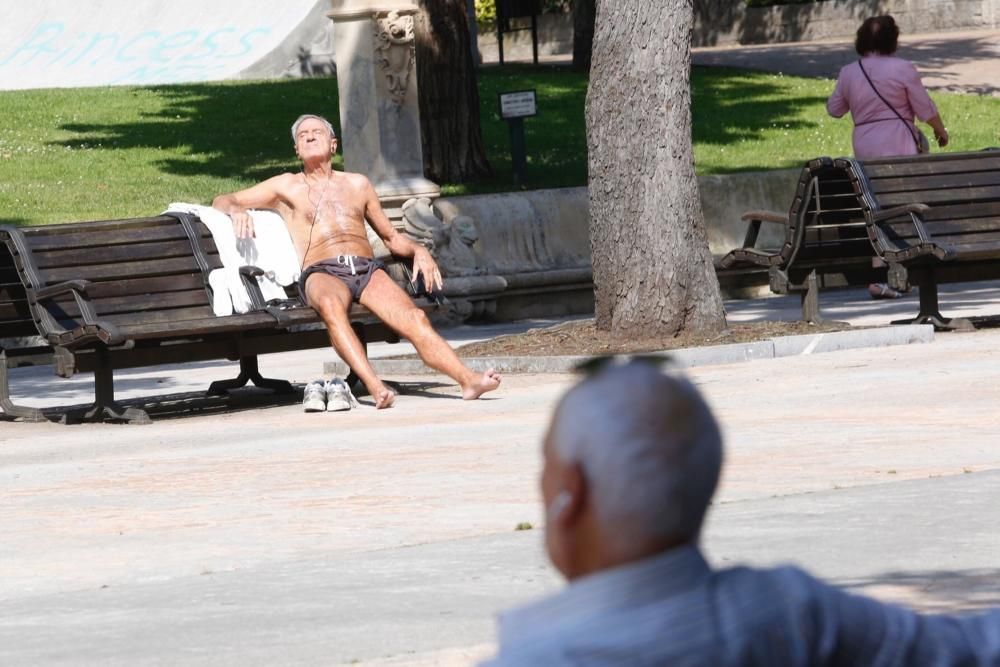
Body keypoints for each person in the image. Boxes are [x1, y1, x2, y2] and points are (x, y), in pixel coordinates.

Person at [483, 359, 1000, 665]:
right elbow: (968, 648)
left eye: (544, 465)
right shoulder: (791, 613)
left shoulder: (536, 656)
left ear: (571, 493)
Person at [212, 114, 501, 409]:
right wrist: (237, 211)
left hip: (366, 268)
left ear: (333, 144)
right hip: (322, 270)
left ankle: (469, 381)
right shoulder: (286, 186)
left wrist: (419, 250)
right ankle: (375, 387)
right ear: (297, 150)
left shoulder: (358, 184)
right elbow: (222, 199)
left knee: (415, 318)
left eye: (317, 132)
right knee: (331, 307)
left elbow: (390, 237)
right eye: (302, 136)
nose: (309, 137)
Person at [827, 15, 949, 300]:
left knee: (877, 210)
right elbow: (924, 108)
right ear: (893, 39)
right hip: (899, 141)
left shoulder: (849, 72)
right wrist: (941, 132)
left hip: (866, 143)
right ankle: (902, 273)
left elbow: (835, 110)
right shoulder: (903, 68)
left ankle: (881, 275)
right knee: (904, 207)